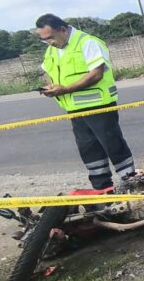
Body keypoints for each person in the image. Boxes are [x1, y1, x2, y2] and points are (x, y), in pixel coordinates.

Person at [35, 14, 136, 192]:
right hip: (74, 109)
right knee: (89, 149)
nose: (48, 42)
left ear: (63, 30)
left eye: (50, 37)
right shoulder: (52, 49)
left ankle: (132, 182)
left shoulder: (87, 42)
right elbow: (51, 73)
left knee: (113, 144)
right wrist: (51, 87)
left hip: (99, 105)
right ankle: (102, 189)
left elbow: (96, 74)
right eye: (44, 40)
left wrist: (66, 89)